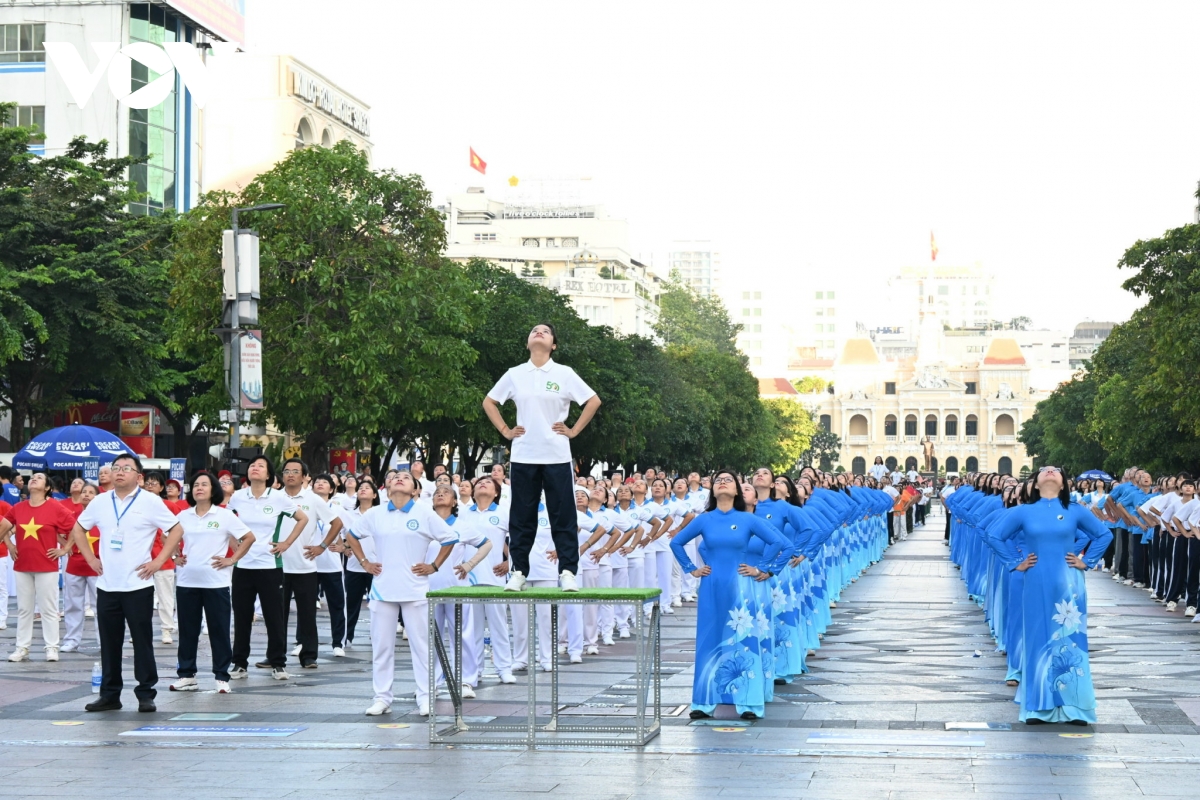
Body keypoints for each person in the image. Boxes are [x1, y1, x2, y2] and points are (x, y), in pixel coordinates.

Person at [988, 466, 1112, 724]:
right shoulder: (1023, 511)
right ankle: (1038, 707)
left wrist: (1086, 561)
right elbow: (994, 535)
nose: (1050, 472)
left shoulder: (1075, 510)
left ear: (1065, 484)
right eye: (1045, 470)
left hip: (1069, 584)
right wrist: (1014, 563)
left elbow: (1103, 534)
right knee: (1037, 639)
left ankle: (1075, 707)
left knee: (1071, 640)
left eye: (1056, 471)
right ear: (1034, 485)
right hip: (1035, 580)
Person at [483, 322, 601, 594]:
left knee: (563, 515)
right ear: (527, 343)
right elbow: (489, 402)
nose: (539, 332)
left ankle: (568, 571)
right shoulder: (515, 374)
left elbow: (592, 401)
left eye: (545, 332)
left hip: (557, 455)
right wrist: (505, 430)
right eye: (534, 331)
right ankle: (519, 571)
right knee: (521, 516)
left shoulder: (564, 373)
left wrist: (573, 431)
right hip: (524, 454)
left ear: (553, 345)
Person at [670, 470, 788, 721]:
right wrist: (692, 569)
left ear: (736, 491)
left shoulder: (747, 519)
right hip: (711, 588)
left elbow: (779, 543)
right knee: (708, 641)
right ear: (713, 491)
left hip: (741, 590)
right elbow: (676, 543)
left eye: (728, 481)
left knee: (743, 640)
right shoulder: (704, 519)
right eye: (718, 481)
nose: (722, 483)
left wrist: (764, 569)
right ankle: (704, 702)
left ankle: (748, 703)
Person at [70, 454, 184, 712]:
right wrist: (90, 558)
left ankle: (146, 693)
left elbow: (176, 529)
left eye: (126, 468)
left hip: (138, 584)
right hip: (107, 584)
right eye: (116, 468)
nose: (120, 472)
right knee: (109, 642)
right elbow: (79, 529)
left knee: (142, 640)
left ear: (139, 476)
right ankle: (110, 695)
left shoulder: (151, 501)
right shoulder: (100, 501)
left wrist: (158, 561)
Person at [344, 471, 457, 717]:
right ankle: (382, 698)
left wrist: (434, 566)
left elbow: (449, 539)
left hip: (415, 589)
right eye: (396, 477)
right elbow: (351, 536)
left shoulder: (424, 513)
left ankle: (425, 698)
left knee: (421, 646)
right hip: (383, 589)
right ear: (385, 487)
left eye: (406, 478)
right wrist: (364, 562)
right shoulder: (376, 513)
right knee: (382, 647)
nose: (399, 479)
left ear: (415, 490)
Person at [170, 471, 255, 694]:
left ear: (213, 489)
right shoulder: (183, 516)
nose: (199, 488)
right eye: (195, 485)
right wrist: (175, 556)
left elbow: (249, 537)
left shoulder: (224, 515)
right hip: (187, 581)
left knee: (219, 629)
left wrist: (232, 559)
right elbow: (166, 537)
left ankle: (221, 676)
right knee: (188, 630)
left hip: (216, 582)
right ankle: (187, 676)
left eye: (204, 485)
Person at [227, 456, 310, 681]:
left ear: (268, 475)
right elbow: (227, 521)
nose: (255, 468)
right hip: (243, 566)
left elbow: (302, 519)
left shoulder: (279, 498)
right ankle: (239, 663)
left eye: (261, 466)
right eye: (253, 465)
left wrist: (286, 544)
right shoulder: (237, 496)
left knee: (274, 617)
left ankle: (278, 663)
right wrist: (234, 547)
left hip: (269, 565)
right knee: (242, 617)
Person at [1, 473, 75, 662]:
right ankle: (22, 648)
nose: (34, 479)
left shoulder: (55, 508)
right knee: (24, 609)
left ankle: (51, 647)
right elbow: (3, 528)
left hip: (47, 565)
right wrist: (9, 545)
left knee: (48, 608)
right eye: (32, 478)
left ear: (47, 487)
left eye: (40, 478)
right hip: (22, 564)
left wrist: (65, 548)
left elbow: (76, 528)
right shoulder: (18, 508)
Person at [277, 459, 343, 670]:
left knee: (307, 614)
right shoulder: (275, 498)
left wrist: (322, 546)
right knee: (277, 615)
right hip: (276, 565)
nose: (290, 475)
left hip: (305, 565)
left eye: (296, 471)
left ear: (305, 476)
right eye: (287, 471)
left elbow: (337, 523)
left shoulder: (313, 499)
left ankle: (309, 656)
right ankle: (275, 655)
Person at [460, 476, 515, 684]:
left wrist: (510, 562)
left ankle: (504, 668)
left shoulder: (503, 513)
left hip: (495, 576)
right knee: (472, 628)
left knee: (498, 625)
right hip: (469, 578)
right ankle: (474, 671)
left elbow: (517, 539)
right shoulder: (464, 514)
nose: (482, 485)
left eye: (488, 483)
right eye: (479, 483)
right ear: (472, 492)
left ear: (496, 493)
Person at [308, 473, 349, 658]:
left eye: (325, 482)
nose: (320, 484)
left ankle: (338, 642)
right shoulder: (305, 506)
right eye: (317, 482)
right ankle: (303, 642)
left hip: (331, 565)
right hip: (308, 564)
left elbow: (355, 533)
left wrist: (343, 546)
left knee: (337, 605)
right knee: (306, 606)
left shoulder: (338, 510)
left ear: (332, 489)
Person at [61, 482, 101, 653]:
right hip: (75, 564)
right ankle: (71, 640)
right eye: (84, 491)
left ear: (97, 497)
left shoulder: (103, 516)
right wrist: (65, 547)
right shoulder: (72, 515)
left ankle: (104, 641)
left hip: (97, 566)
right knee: (72, 604)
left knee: (100, 605)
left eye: (91, 492)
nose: (86, 494)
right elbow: (57, 529)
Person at [340, 478, 380, 649]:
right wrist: (344, 549)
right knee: (351, 603)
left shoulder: (381, 514)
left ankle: (378, 636)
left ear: (375, 494)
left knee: (378, 605)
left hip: (377, 566)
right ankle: (347, 637)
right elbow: (342, 537)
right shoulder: (349, 515)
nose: (363, 490)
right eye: (361, 488)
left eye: (367, 488)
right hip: (354, 566)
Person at [143, 472, 178, 645]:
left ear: (162, 487)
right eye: (148, 483)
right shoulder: (137, 504)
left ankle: (167, 629)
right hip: (141, 559)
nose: (150, 485)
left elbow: (179, 531)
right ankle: (139, 630)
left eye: (154, 483)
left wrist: (176, 554)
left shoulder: (169, 506)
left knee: (166, 597)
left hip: (164, 559)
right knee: (141, 599)